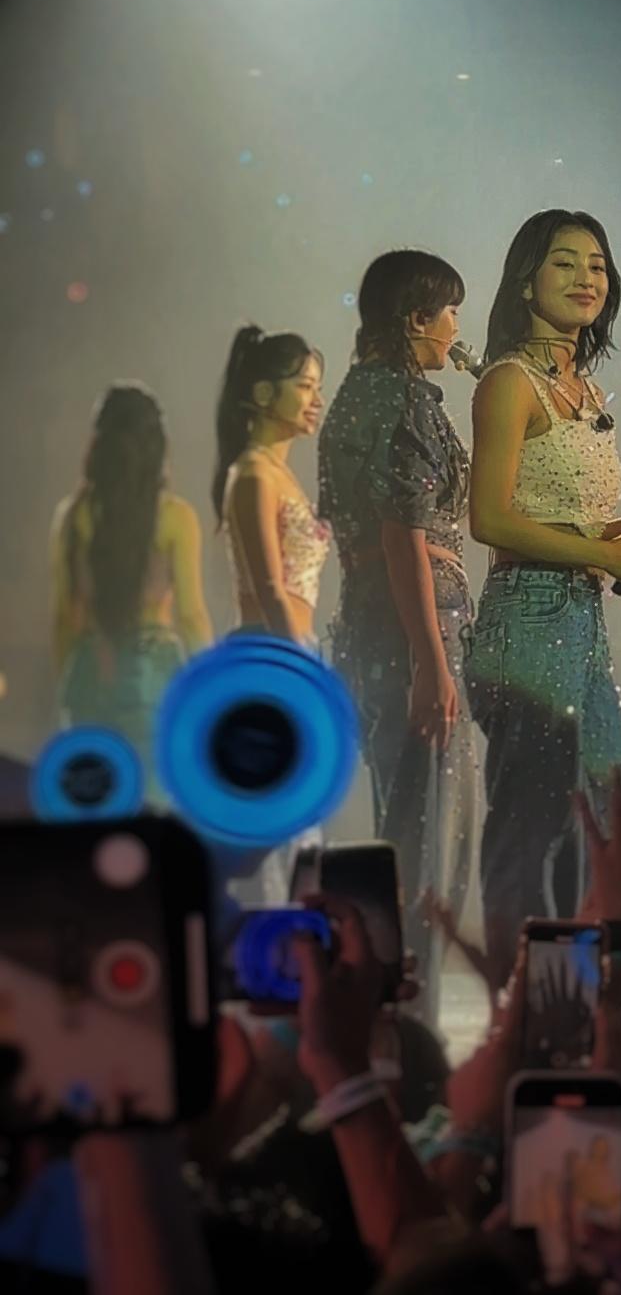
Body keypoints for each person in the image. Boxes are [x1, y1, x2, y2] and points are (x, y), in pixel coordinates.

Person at [467, 209, 621, 983]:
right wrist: (600, 551)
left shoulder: (585, 391)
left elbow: (564, 518)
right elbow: (489, 520)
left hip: (582, 625)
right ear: (526, 282)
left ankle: (590, 1003)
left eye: (597, 264)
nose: (587, 277)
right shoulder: (507, 383)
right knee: (534, 831)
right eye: (565, 262)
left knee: (615, 821)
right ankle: (521, 1002)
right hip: (525, 623)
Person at [318, 250, 477, 1015]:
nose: (455, 328)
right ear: (416, 318)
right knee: (428, 841)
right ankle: (410, 1026)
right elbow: (401, 534)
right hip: (414, 630)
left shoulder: (354, 394)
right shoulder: (405, 398)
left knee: (402, 830)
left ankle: (390, 1014)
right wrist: (431, 662)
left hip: (369, 625)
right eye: (449, 312)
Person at [50, 382, 212, 788]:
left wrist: (71, 676)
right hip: (154, 674)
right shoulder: (176, 518)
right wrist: (212, 685)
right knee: (154, 800)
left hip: (90, 667)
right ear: (158, 445)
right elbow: (191, 616)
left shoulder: (73, 517)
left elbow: (66, 616)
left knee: (98, 800)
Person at [212, 324, 330, 651]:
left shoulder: (277, 473)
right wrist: (297, 659)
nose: (317, 401)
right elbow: (269, 589)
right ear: (263, 393)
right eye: (305, 387)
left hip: (293, 642)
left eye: (317, 388)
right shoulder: (255, 475)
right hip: (271, 645)